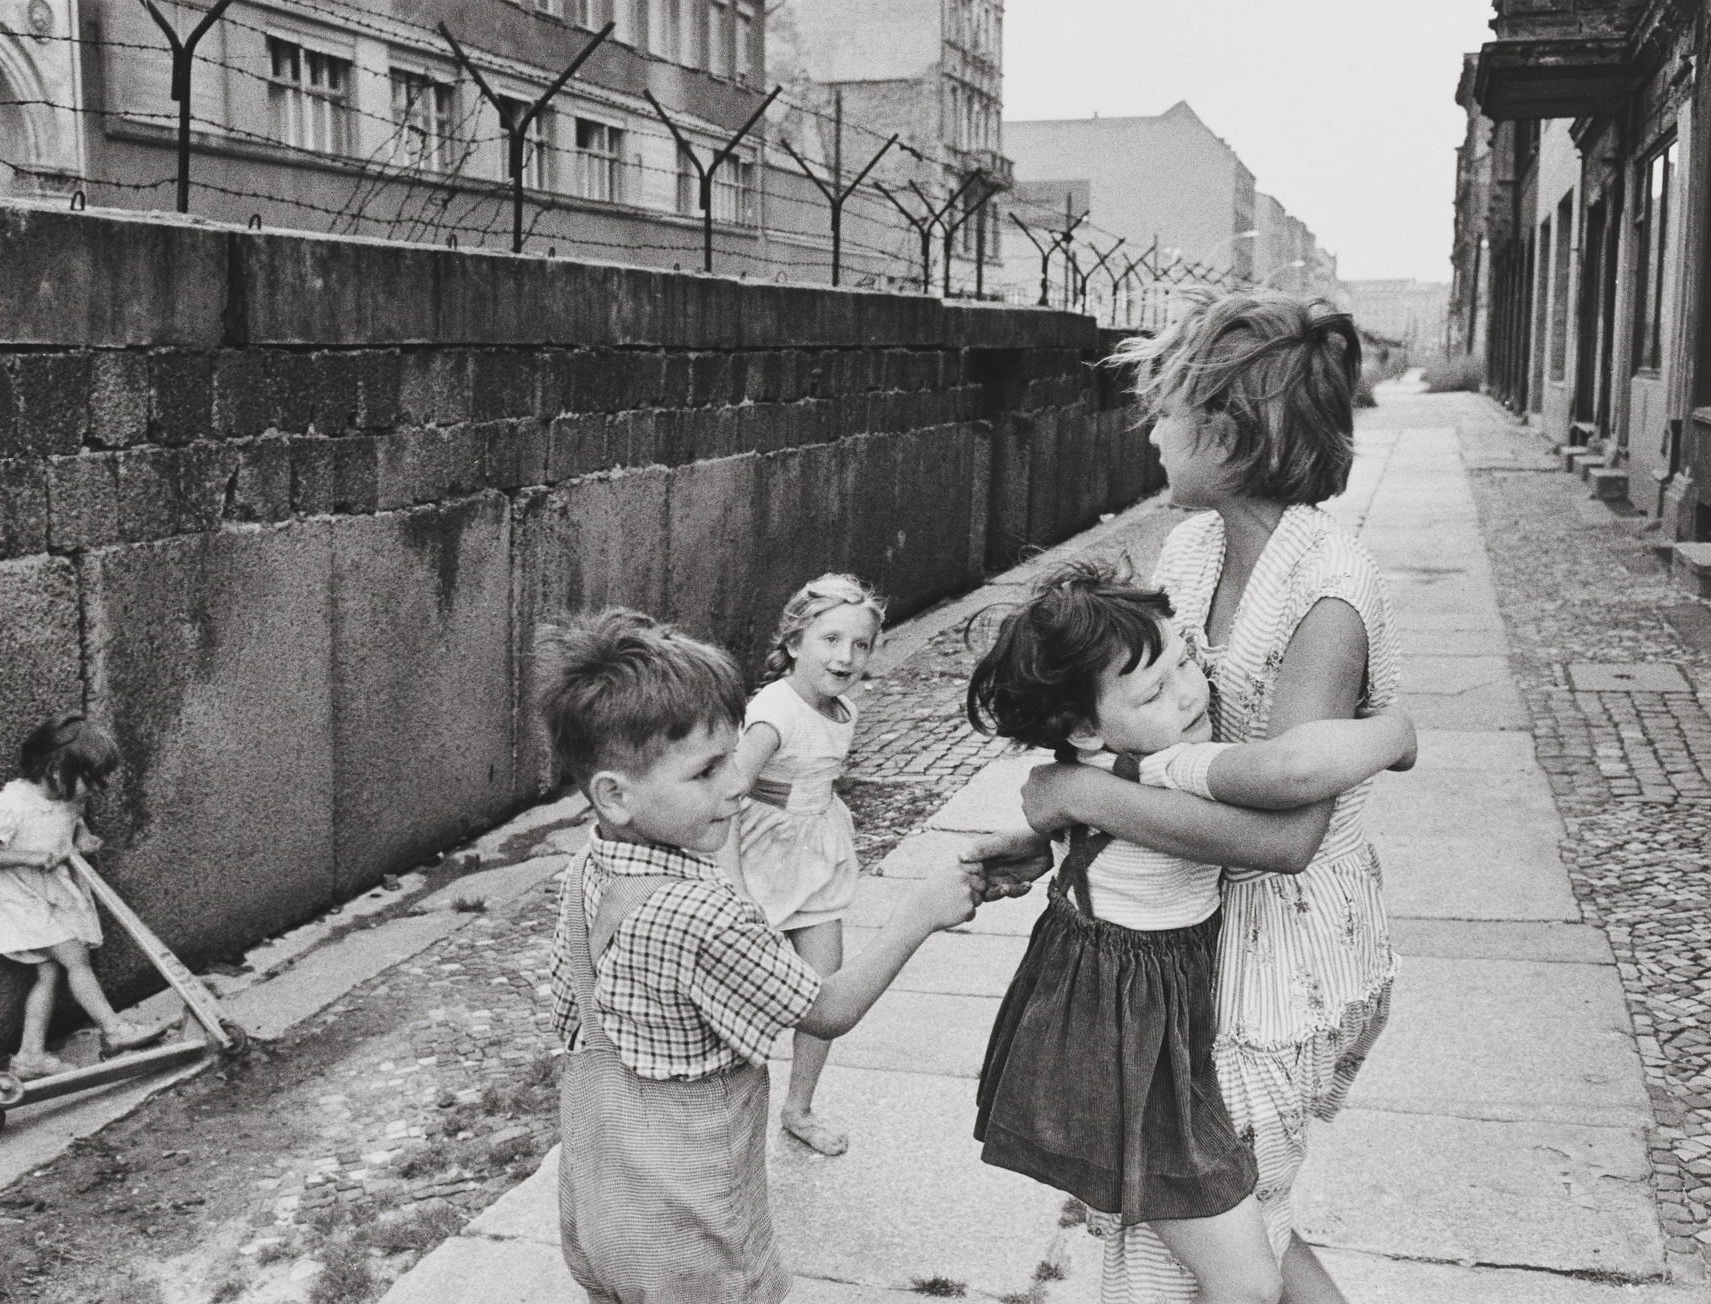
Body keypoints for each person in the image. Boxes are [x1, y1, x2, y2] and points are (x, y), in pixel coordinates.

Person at [977, 290, 1402, 1304]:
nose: (1150, 430)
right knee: (1233, 1225)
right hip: (1189, 941)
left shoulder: (1324, 592)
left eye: (1164, 408)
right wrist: (1062, 823)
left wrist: (1068, 789)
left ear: (1222, 430)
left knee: (1208, 1241)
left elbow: (1289, 833)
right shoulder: (1191, 550)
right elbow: (1142, 741)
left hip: (1282, 959)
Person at [540, 608, 982, 1304]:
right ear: (616, 796)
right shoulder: (702, 911)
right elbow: (827, 1008)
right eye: (708, 771)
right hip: (694, 1233)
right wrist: (919, 913)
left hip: (604, 1211)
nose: (738, 784)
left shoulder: (587, 871)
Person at [730, 573, 888, 1156]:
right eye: (830, 639)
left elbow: (818, 769)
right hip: (760, 863)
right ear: (796, 642)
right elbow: (731, 793)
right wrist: (734, 889)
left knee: (825, 992)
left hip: (816, 858)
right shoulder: (773, 712)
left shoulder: (843, 705)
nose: (845, 656)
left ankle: (798, 1108)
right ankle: (727, 1112)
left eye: (861, 644)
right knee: (744, 997)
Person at [0, 714, 169, 1080]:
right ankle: (115, 1030)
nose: (96, 789)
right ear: (57, 769)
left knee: (50, 973)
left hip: (51, 897)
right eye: (90, 779)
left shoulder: (67, 800)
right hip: (21, 900)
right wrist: (29, 857)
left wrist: (82, 842)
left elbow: (73, 825)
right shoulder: (11, 805)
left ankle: (29, 1057)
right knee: (75, 956)